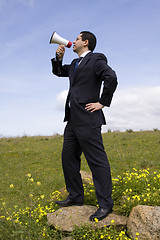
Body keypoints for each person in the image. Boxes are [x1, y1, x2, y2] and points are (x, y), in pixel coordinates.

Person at [51, 31, 118, 221]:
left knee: (97, 162)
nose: (74, 40)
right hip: (72, 120)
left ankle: (105, 205)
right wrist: (58, 58)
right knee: (68, 158)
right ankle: (75, 197)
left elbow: (111, 77)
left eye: (78, 38)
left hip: (89, 119)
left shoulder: (96, 59)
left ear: (85, 42)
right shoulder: (74, 64)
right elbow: (58, 72)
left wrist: (102, 102)